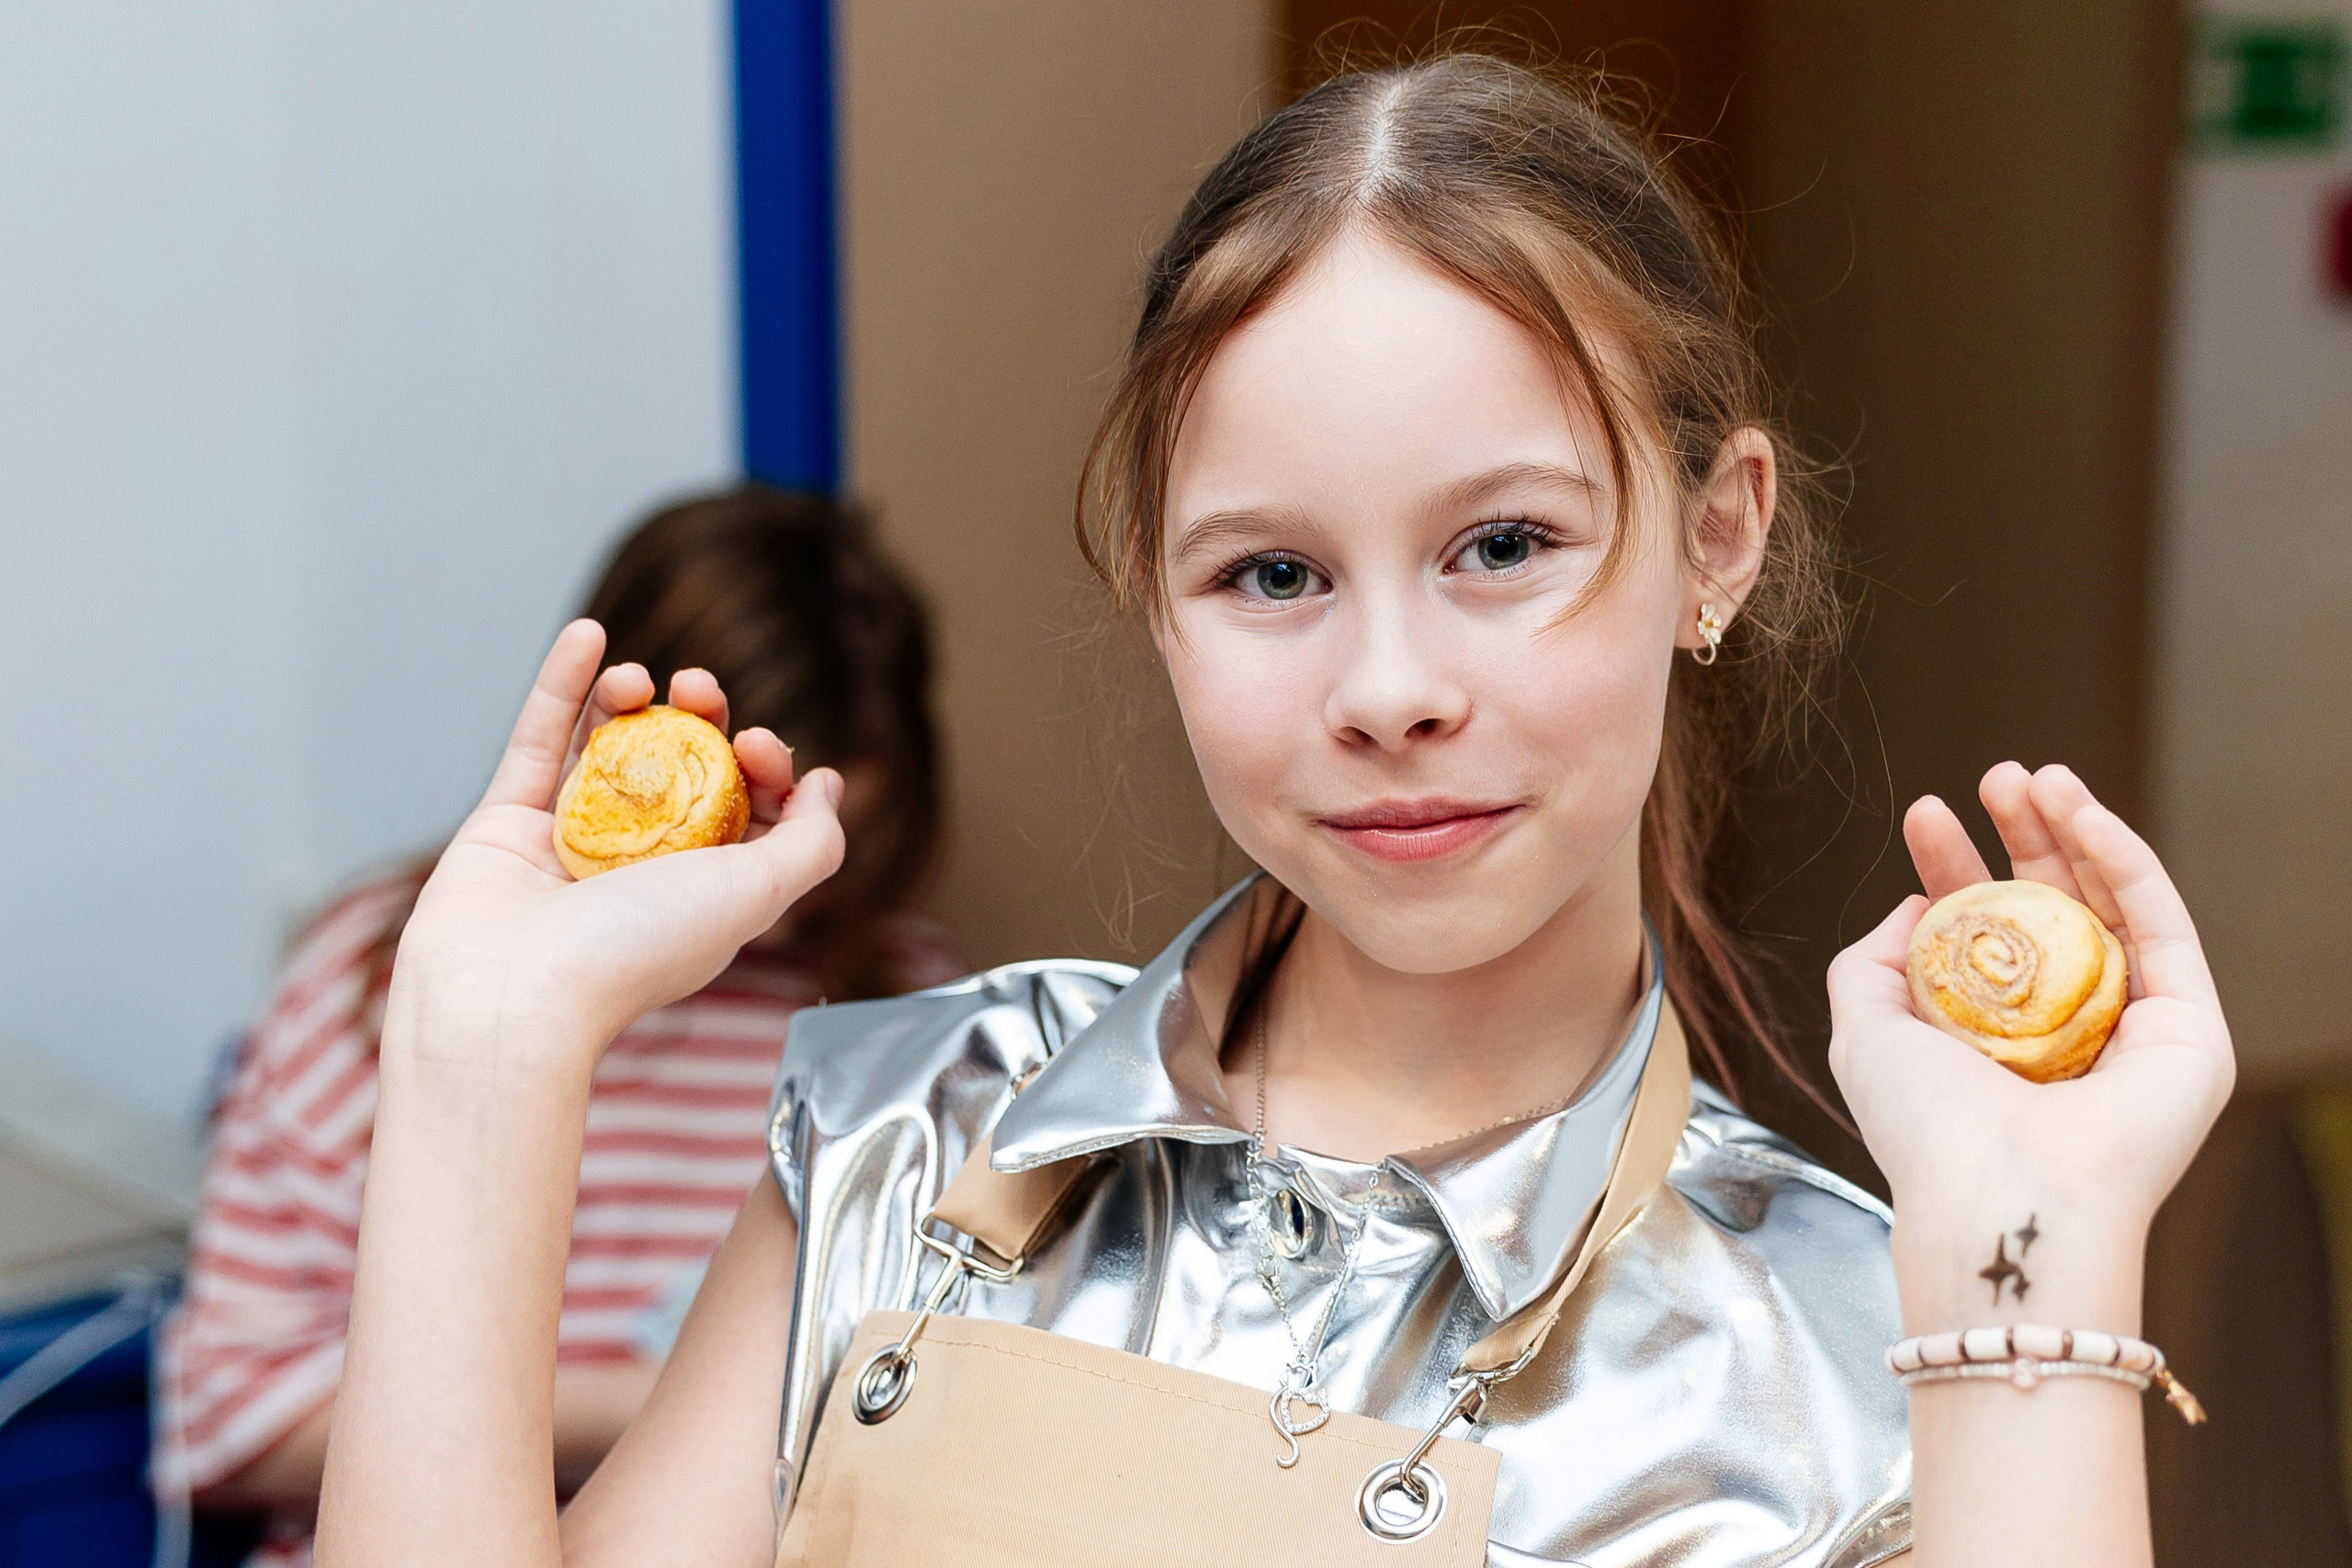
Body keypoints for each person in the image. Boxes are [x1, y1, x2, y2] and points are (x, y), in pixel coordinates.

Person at [311, 56, 2235, 1568]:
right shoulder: (909, 1135)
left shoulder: (1862, 1350)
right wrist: (482, 1047)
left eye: (1503, 543)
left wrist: (2032, 1253)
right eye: (1272, 573)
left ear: (1713, 541)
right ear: (1153, 596)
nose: (1387, 685)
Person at [153, 487, 962, 1566]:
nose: (777, 907)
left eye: (855, 821)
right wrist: (674, 1405)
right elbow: (221, 1419)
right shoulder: (395, 973)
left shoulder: (906, 1013)